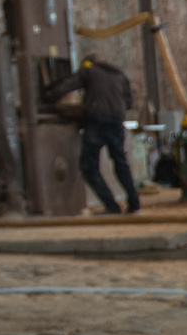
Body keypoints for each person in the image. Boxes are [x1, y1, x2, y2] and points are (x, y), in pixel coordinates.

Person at [44, 54, 139, 215]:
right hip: (117, 123)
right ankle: (135, 204)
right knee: (121, 163)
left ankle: (111, 206)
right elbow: (129, 102)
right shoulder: (119, 75)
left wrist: (48, 97)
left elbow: (66, 86)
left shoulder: (89, 71)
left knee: (88, 166)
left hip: (97, 123)